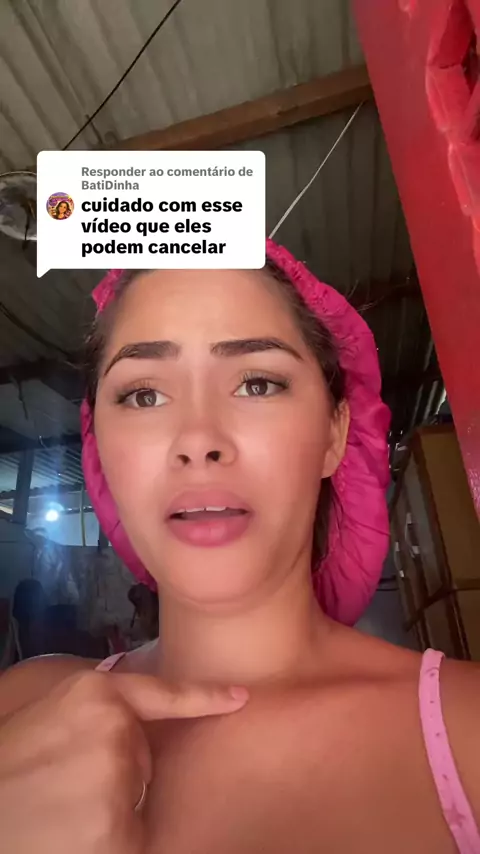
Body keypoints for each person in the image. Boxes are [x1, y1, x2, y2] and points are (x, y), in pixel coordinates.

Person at [0, 241, 479, 854]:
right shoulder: (23, 708)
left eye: (257, 383)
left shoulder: (467, 730)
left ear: (335, 432)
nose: (198, 439)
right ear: (101, 451)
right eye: (144, 395)